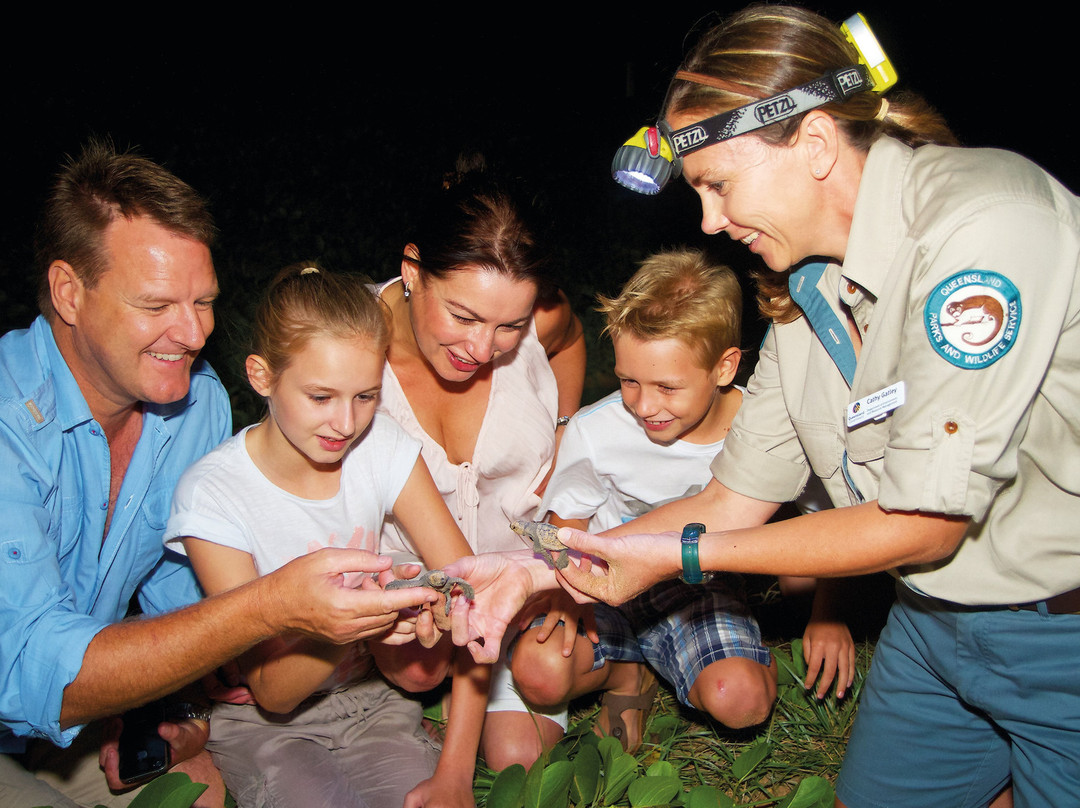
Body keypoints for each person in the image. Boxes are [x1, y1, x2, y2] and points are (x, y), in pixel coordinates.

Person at [448, 7, 1079, 808]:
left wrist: (676, 558)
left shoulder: (984, 229)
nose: (708, 220)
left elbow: (923, 518)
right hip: (934, 621)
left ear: (814, 143)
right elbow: (731, 500)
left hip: (1060, 635)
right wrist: (539, 565)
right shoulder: (807, 291)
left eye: (718, 184)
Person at [0, 141, 437, 808]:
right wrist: (266, 608)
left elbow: (184, 603)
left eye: (204, 301)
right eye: (157, 305)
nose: (194, 332)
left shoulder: (192, 400)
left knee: (198, 789)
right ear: (70, 291)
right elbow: (30, 667)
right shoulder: (10, 424)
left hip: (84, 723)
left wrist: (191, 710)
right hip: (29, 695)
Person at [510, 249, 853, 755]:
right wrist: (564, 597)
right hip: (603, 579)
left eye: (668, 387)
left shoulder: (770, 431)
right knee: (538, 671)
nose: (644, 406)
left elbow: (829, 527)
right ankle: (628, 677)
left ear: (724, 367)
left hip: (696, 586)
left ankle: (699, 660)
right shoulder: (597, 431)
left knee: (741, 700)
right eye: (629, 380)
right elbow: (569, 521)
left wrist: (829, 613)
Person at [164, 265, 472, 808]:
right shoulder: (212, 495)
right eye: (320, 397)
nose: (346, 423)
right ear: (261, 377)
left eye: (366, 396)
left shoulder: (380, 445)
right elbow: (273, 691)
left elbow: (471, 586)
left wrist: (454, 773)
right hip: (265, 724)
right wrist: (368, 612)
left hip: (372, 701)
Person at [374, 160, 586, 773]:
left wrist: (565, 432)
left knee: (520, 757)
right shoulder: (347, 347)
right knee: (419, 668)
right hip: (427, 603)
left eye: (508, 327)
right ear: (413, 270)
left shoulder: (539, 321)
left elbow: (570, 339)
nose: (480, 348)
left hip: (530, 568)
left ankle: (627, 666)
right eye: (463, 316)